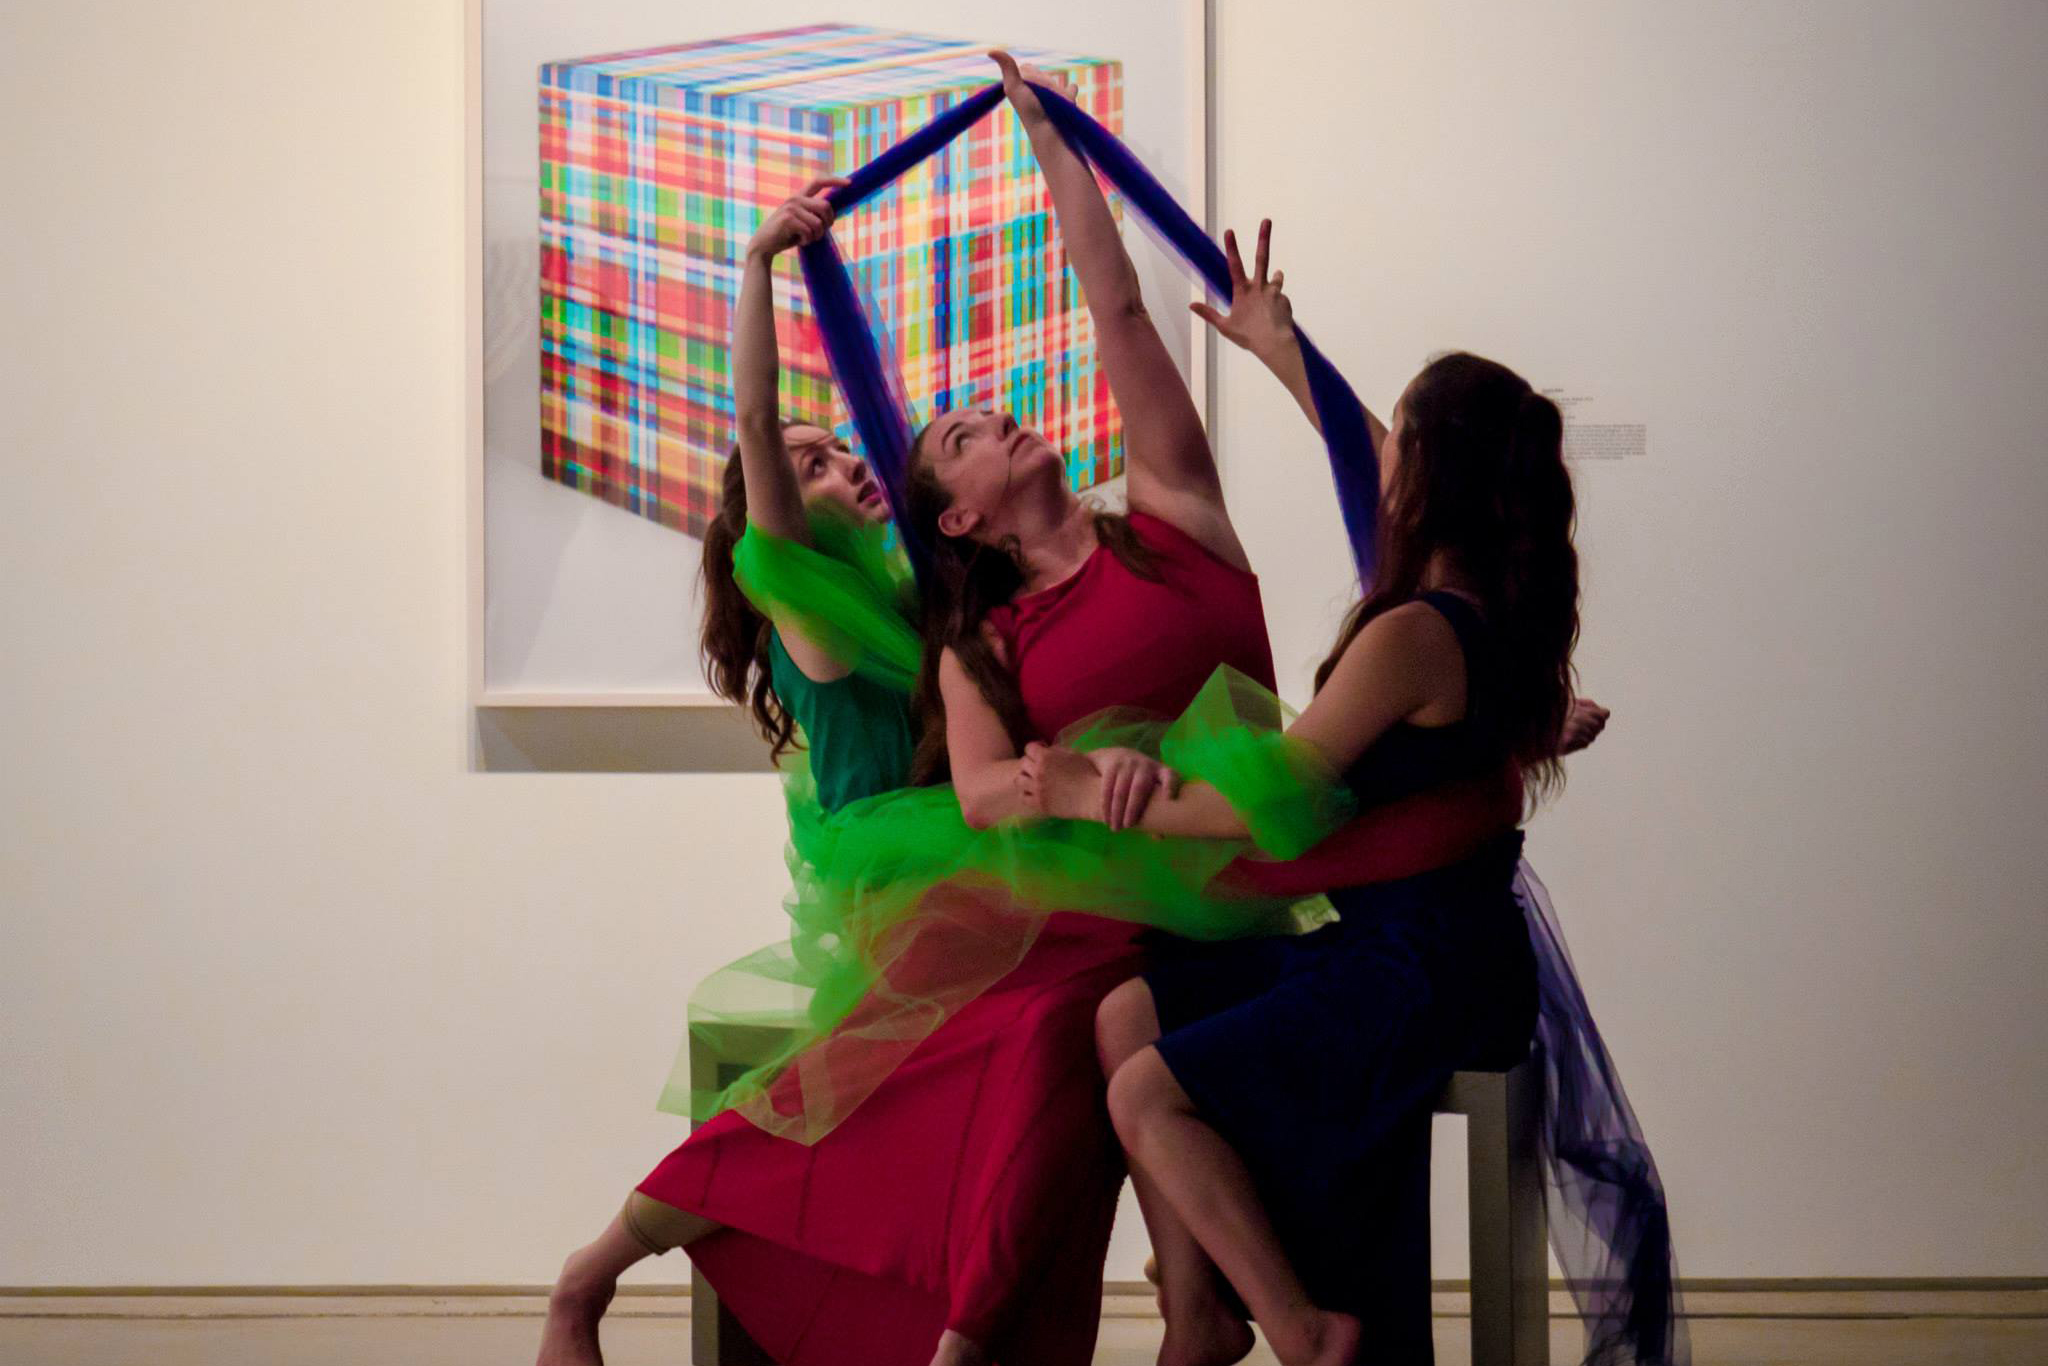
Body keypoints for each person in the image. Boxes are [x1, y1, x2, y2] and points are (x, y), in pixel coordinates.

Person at [1022, 340, 1582, 1365]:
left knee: (1141, 1091)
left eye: (1399, 443)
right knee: (1125, 1009)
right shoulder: (1494, 607)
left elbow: (1262, 803)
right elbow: (1372, 456)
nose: (1381, 462)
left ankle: (1302, 1328)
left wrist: (1090, 789)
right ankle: (1199, 1312)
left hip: (1420, 966)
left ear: (1426, 476)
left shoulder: (1413, 631)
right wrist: (1283, 348)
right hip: (1426, 942)